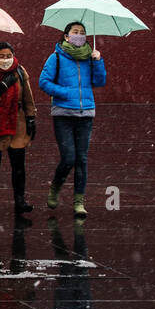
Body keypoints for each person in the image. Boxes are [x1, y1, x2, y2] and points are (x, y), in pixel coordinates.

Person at [38, 21, 107, 218]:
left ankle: (79, 202)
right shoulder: (56, 58)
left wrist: (98, 61)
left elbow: (99, 82)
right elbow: (43, 82)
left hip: (85, 114)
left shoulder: (89, 57)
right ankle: (55, 187)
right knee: (69, 157)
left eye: (83, 33)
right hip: (63, 114)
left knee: (82, 159)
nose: (79, 35)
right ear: (66, 36)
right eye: (75, 32)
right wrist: (65, 92)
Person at [0, 42, 38, 219]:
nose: (5, 59)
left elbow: (28, 97)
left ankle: (19, 200)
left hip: (17, 122)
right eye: (1, 56)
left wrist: (31, 117)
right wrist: (1, 86)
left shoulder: (20, 71)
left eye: (8, 55)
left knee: (18, 165)